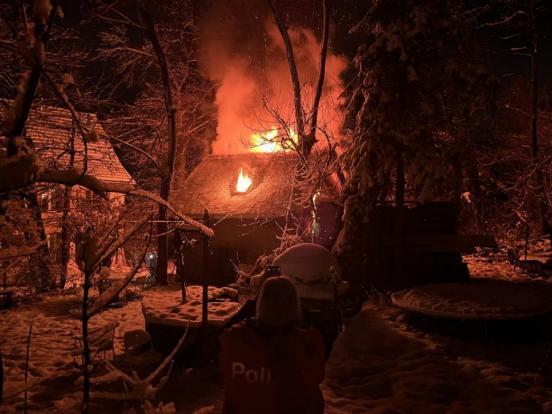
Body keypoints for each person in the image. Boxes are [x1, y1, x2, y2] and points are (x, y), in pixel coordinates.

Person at [220, 276, 325, 414]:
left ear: (261, 302)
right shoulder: (307, 344)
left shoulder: (235, 339)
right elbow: (315, 382)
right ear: (293, 304)